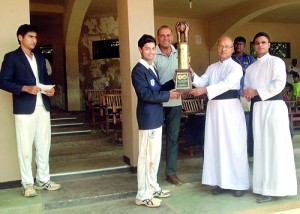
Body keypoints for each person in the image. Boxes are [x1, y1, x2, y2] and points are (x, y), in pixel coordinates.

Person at [0, 24, 61, 197]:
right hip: (24, 108)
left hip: (43, 106)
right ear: (20, 37)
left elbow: (44, 79)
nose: (34, 40)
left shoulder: (40, 58)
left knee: (44, 146)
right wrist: (24, 88)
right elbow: (3, 81)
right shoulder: (11, 57)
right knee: (25, 148)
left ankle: (43, 179)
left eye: (35, 37)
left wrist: (49, 90)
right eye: (30, 37)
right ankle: (27, 184)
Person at [190, 36, 249, 197]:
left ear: (232, 49)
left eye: (227, 46)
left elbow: (227, 84)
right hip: (214, 109)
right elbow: (201, 82)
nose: (223, 49)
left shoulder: (235, 67)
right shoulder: (212, 67)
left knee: (233, 145)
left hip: (230, 109)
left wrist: (205, 90)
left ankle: (239, 183)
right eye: (221, 46)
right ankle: (222, 182)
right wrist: (189, 70)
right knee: (217, 145)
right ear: (217, 48)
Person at [243, 32, 297, 203]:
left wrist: (256, 91)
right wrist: (248, 94)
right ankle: (263, 187)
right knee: (261, 147)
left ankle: (278, 187)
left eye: (263, 42)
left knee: (276, 146)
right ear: (254, 46)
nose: (260, 45)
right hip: (258, 108)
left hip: (274, 107)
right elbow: (247, 89)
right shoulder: (250, 68)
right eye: (257, 43)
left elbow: (279, 84)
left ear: (269, 45)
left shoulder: (276, 62)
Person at [131, 34, 181, 208]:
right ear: (140, 50)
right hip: (148, 119)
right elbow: (145, 95)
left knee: (154, 156)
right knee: (146, 158)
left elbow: (157, 88)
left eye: (153, 48)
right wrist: (169, 95)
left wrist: (172, 82)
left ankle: (152, 187)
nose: (151, 51)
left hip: (156, 117)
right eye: (147, 48)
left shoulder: (151, 68)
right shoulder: (138, 70)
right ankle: (142, 194)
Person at [153, 25, 182, 185]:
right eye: (162, 35)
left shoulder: (180, 53)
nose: (166, 38)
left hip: (176, 102)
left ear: (172, 37)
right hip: (157, 104)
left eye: (168, 35)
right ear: (158, 37)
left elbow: (184, 74)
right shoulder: (153, 54)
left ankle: (171, 172)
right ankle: (153, 172)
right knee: (155, 139)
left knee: (173, 138)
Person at [232, 36, 256, 158]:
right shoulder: (229, 58)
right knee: (234, 122)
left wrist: (243, 69)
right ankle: (236, 149)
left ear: (244, 46)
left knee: (246, 122)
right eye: (236, 44)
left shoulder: (249, 58)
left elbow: (254, 74)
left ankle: (248, 148)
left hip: (245, 95)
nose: (238, 46)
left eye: (240, 44)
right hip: (232, 95)